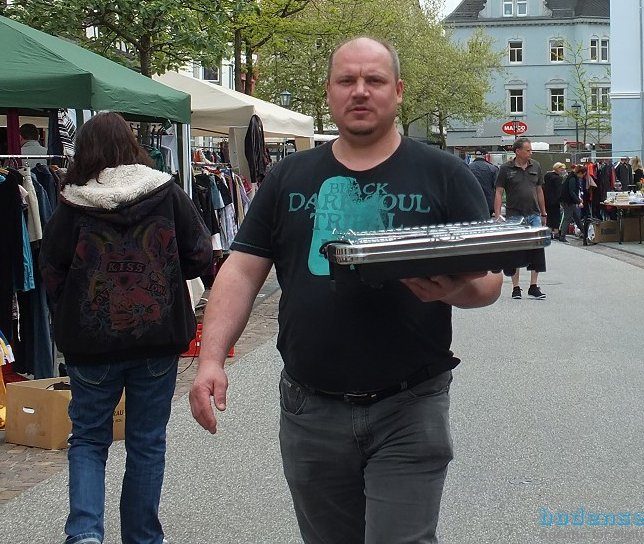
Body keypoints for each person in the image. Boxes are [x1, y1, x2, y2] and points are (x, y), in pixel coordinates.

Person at [188, 37, 501, 544]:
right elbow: (242, 270)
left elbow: (488, 282)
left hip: (410, 404)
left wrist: (450, 289)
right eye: (346, 81)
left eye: (374, 81)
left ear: (397, 92)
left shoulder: (443, 174)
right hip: (311, 408)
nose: (361, 91)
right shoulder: (290, 175)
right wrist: (210, 359)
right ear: (329, 93)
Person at [41, 112, 214, 544]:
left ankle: (84, 533)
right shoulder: (165, 193)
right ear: (132, 146)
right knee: (146, 442)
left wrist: (73, 305)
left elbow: (51, 267)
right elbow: (200, 255)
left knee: (88, 440)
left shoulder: (72, 202)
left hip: (90, 341)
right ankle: (141, 536)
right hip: (155, 337)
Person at [494, 137, 547, 299]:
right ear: (518, 151)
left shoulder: (535, 166)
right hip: (514, 215)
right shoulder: (505, 169)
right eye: (528, 150)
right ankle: (516, 287)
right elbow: (499, 192)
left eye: (531, 150)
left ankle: (533, 286)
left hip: (534, 214)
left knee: (537, 250)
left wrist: (543, 212)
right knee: (515, 251)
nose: (531, 153)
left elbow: (539, 190)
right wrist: (498, 214)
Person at [559, 165, 588, 244]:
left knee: (576, 217)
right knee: (568, 218)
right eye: (583, 174)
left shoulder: (572, 177)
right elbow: (571, 191)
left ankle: (585, 233)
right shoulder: (572, 178)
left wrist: (578, 199)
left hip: (568, 200)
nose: (583, 176)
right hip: (568, 201)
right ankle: (562, 236)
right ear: (580, 173)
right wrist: (578, 201)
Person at [468, 149, 498, 216]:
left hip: (472, 202)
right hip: (488, 202)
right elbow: (497, 187)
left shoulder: (468, 168)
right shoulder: (492, 168)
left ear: (475, 156)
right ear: (485, 155)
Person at [542, 162, 566, 239]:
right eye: (562, 169)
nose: (563, 171)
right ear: (557, 168)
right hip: (555, 200)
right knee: (556, 216)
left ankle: (548, 232)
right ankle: (555, 232)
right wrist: (560, 200)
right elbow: (559, 191)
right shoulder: (557, 178)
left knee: (549, 216)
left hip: (546, 199)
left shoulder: (547, 176)